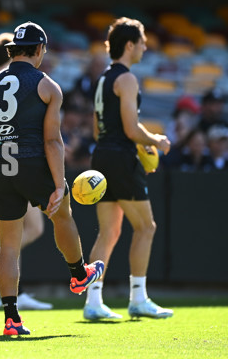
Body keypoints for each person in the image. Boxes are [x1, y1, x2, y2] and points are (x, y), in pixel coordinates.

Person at [0, 21, 104, 336]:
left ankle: (12, 319)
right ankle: (78, 274)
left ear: (12, 51)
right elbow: (52, 141)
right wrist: (59, 183)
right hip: (33, 160)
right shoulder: (48, 85)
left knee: (8, 245)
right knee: (62, 215)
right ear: (38, 50)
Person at [85, 17, 173, 320]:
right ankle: (138, 298)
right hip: (121, 158)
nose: (146, 48)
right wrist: (156, 140)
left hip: (102, 156)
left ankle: (93, 302)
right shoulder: (127, 79)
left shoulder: (103, 79)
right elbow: (132, 129)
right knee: (146, 227)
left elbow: (98, 131)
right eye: (143, 42)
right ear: (130, 45)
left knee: (108, 232)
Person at [0, 32, 52, 311]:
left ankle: (18, 290)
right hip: (18, 158)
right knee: (29, 229)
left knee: (20, 230)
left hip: (0, 158)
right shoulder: (17, 80)